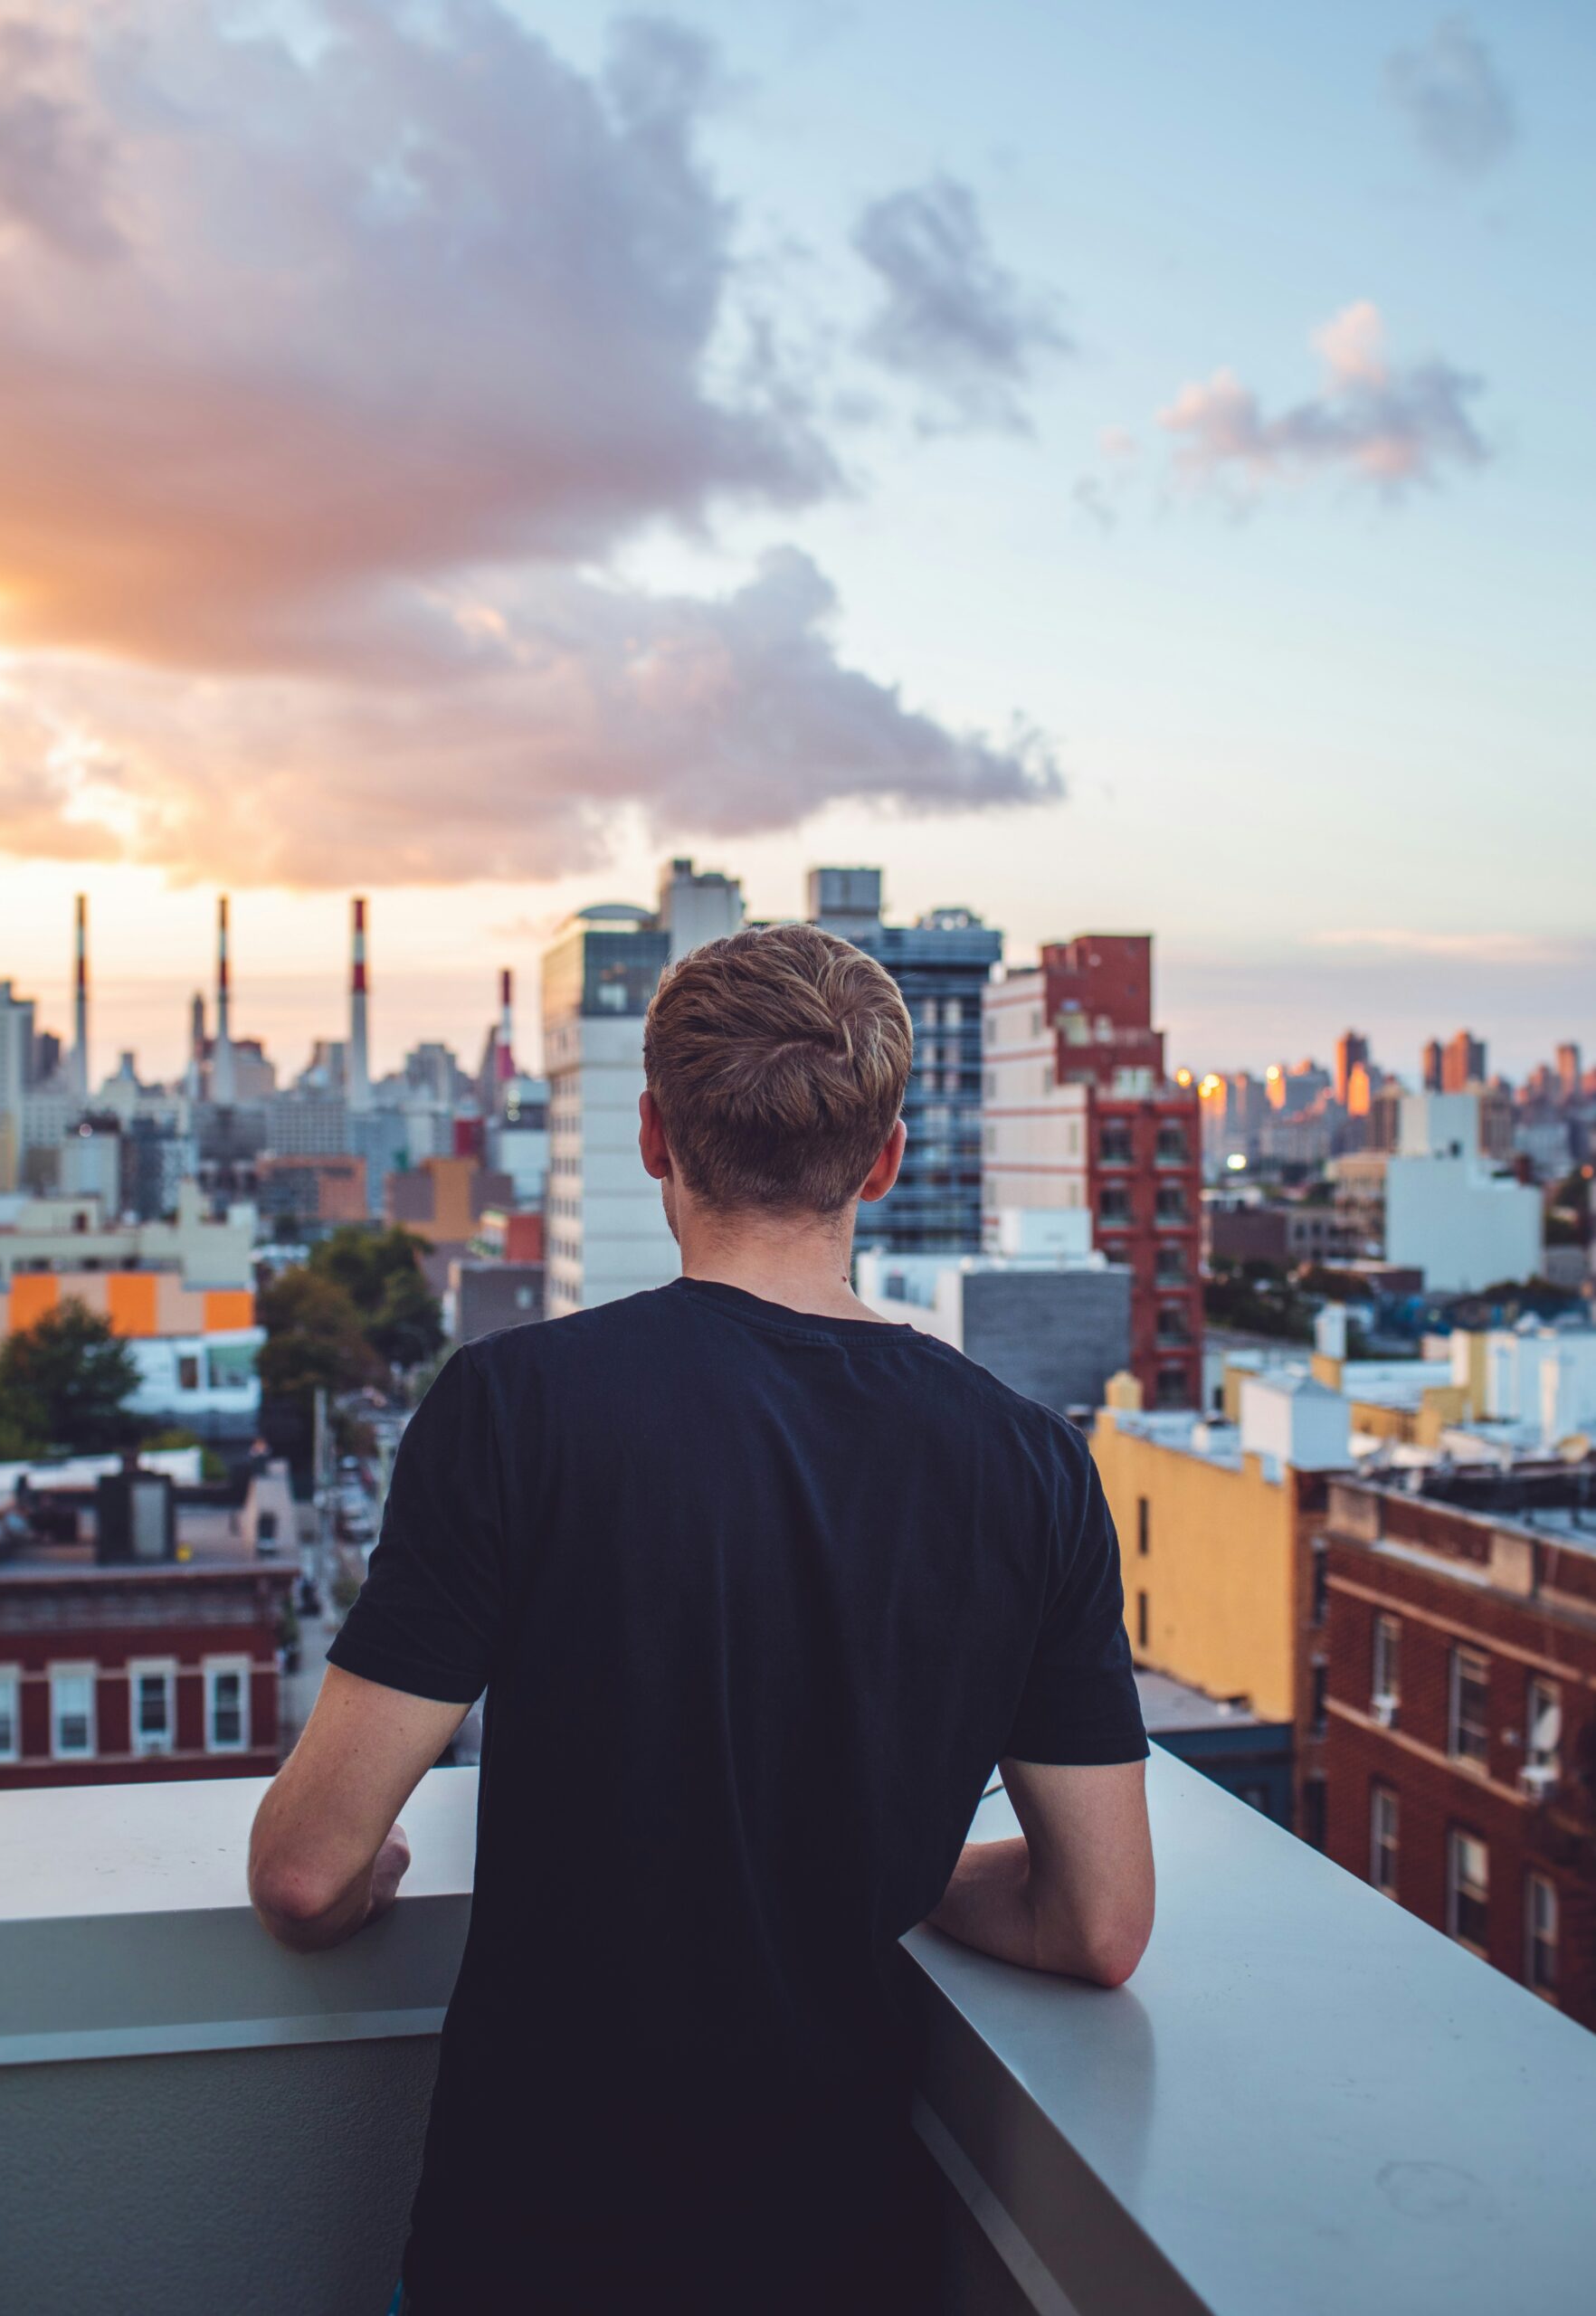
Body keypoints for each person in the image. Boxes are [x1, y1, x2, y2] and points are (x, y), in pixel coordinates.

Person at [249, 923, 1154, 2313]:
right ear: (886, 1158)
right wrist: (890, 1875)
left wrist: (369, 1886)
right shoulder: (1030, 1463)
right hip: (837, 2255)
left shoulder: (518, 1408)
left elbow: (309, 1872)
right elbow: (1097, 1926)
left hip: (531, 2248)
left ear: (654, 1138)